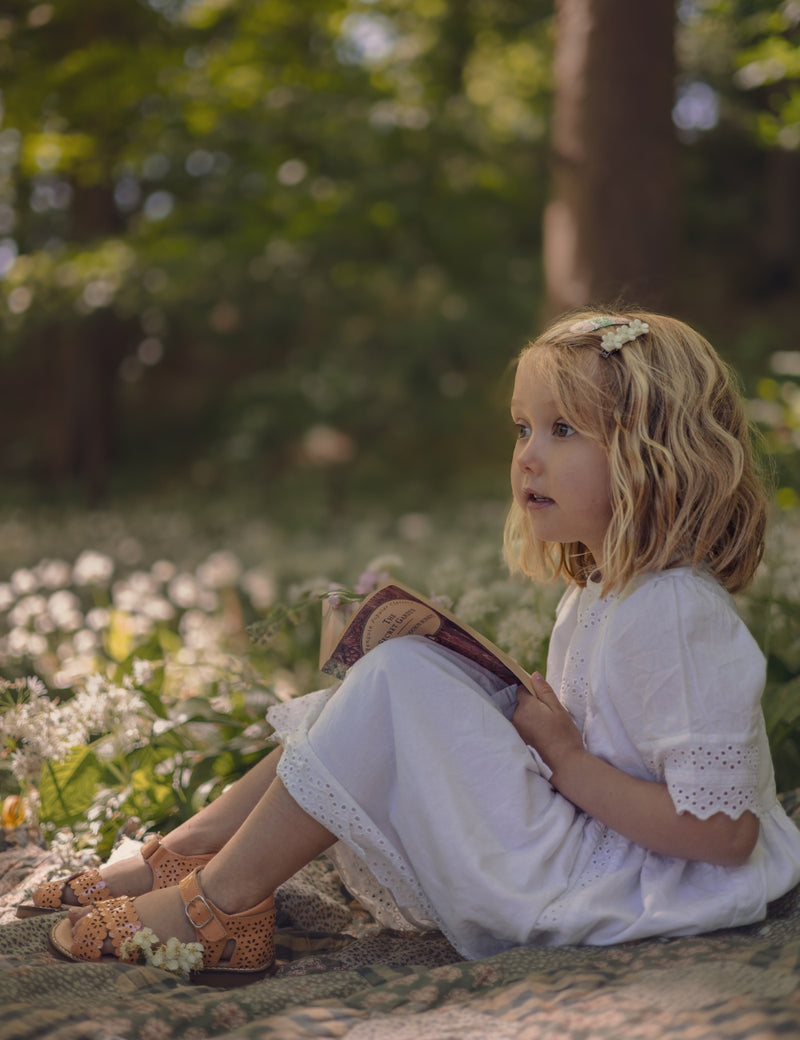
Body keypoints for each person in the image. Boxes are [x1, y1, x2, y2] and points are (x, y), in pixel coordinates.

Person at [31, 310, 800, 982]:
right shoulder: (604, 591)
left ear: (654, 454)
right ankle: (192, 857)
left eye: (563, 430)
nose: (528, 456)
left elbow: (722, 834)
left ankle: (218, 906)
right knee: (402, 672)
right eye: (522, 428)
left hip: (629, 886)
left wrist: (563, 758)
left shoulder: (673, 611)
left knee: (397, 679)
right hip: (597, 845)